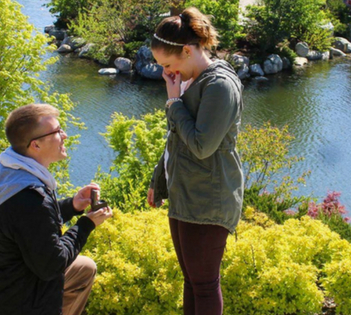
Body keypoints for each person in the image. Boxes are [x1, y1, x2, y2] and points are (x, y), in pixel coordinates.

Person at [0, 103, 113, 315]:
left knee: (84, 269)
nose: (64, 135)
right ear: (35, 145)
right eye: (57, 131)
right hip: (13, 302)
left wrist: (72, 205)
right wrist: (86, 224)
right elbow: (51, 265)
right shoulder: (29, 197)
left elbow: (31, 226)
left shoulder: (11, 172)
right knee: (67, 270)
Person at [146, 7, 244, 315]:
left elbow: (201, 146)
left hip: (208, 200)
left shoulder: (219, 86)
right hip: (185, 194)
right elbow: (176, 141)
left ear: (187, 50)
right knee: (191, 281)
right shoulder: (189, 79)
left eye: (169, 64)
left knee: (204, 284)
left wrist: (174, 102)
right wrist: (158, 181)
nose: (166, 72)